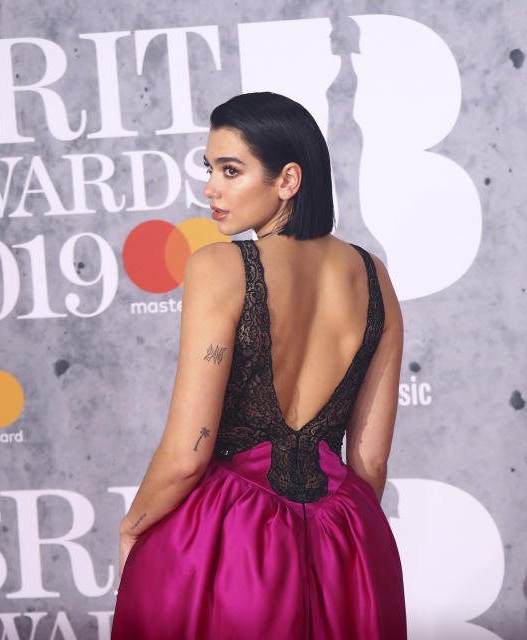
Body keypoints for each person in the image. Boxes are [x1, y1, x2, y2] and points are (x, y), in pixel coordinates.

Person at [111, 92, 407, 639]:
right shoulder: (376, 279)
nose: (210, 189)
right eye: (210, 169)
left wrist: (134, 527)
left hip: (231, 541)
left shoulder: (218, 268)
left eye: (230, 170)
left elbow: (186, 455)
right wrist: (344, 549)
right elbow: (371, 465)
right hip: (349, 543)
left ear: (288, 179)